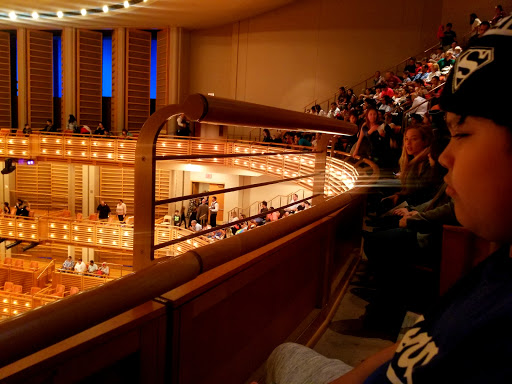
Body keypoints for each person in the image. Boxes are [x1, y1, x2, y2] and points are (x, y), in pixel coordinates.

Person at [266, 22, 512, 384]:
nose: (446, 157)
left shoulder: (498, 336)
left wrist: (412, 213)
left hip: (426, 229)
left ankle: (382, 309)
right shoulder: (497, 271)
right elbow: (410, 348)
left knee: (281, 355)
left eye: (461, 133)